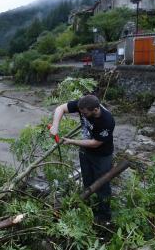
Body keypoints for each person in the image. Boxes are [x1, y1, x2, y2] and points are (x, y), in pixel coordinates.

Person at [49, 95, 115, 223]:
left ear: (95, 110)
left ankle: (104, 216)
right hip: (85, 152)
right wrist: (55, 126)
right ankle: (89, 209)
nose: (82, 115)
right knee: (88, 181)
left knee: (102, 184)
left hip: (102, 155)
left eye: (85, 113)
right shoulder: (83, 105)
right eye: (81, 112)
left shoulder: (107, 120)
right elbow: (60, 108)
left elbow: (95, 143)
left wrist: (71, 141)